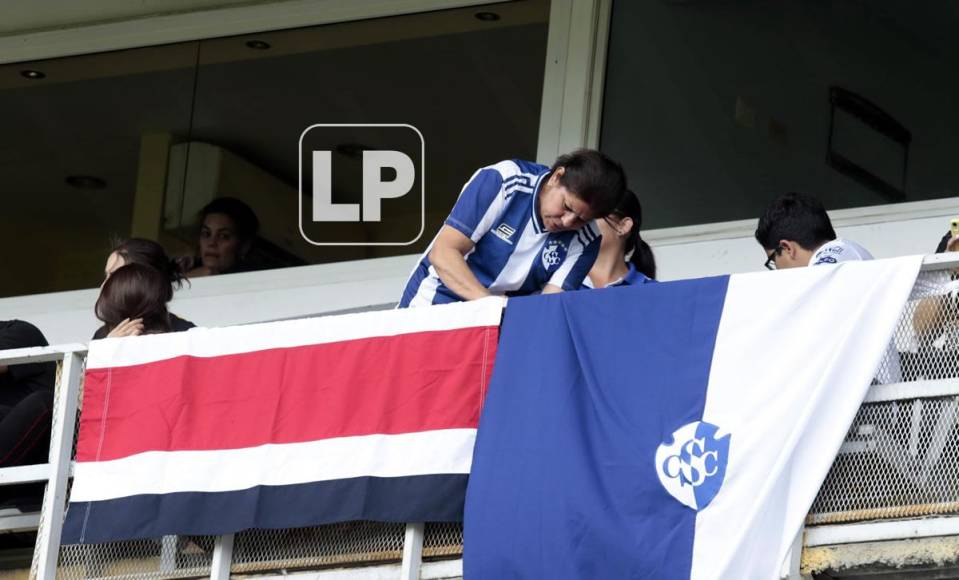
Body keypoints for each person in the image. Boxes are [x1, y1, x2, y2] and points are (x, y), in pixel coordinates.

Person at [399, 149, 627, 308]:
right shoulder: (506, 180)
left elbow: (547, 307)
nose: (567, 222)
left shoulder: (587, 239)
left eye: (581, 219)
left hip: (496, 327)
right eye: (566, 206)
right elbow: (444, 253)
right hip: (432, 305)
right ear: (557, 177)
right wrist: (489, 305)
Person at [95, 238, 194, 339]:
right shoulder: (102, 336)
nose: (103, 286)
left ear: (146, 281)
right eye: (106, 276)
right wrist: (107, 348)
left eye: (115, 277)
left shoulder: (186, 335)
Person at [755, 192, 872, 270]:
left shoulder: (829, 263)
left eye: (773, 260)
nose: (777, 270)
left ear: (787, 248)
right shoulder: (846, 253)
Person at [581, 189, 657, 289]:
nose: (578, 222)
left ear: (623, 226)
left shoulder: (655, 290)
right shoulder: (558, 284)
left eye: (592, 214)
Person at [187, 197, 260, 277]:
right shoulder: (184, 268)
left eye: (223, 236)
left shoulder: (253, 281)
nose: (211, 243)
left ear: (244, 246)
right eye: (206, 233)